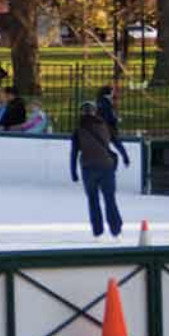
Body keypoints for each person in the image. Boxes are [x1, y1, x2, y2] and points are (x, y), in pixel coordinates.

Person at [67, 101, 130, 239]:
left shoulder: (78, 130)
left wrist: (73, 172)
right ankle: (116, 230)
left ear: (82, 113)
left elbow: (74, 153)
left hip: (88, 168)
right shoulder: (105, 126)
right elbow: (118, 143)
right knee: (110, 199)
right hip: (106, 167)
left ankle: (97, 231)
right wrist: (125, 156)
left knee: (93, 200)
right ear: (95, 112)